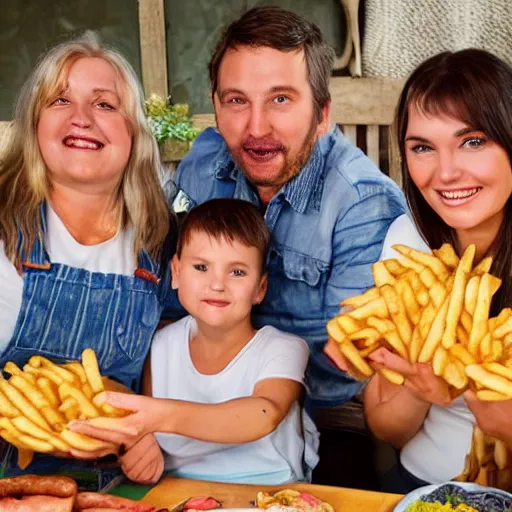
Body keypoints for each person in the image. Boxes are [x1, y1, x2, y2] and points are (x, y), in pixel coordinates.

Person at [168, 5, 410, 409]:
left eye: (280, 99)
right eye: (236, 100)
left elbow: (345, 367)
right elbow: (171, 299)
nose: (257, 128)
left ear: (322, 114)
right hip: (194, 402)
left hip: (322, 426)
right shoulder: (203, 168)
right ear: (216, 105)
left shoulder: (362, 204)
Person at [329, 48, 512, 493]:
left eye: (473, 141)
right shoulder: (407, 238)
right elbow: (387, 429)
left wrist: (482, 403)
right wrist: (419, 382)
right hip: (420, 487)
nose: (446, 172)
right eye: (423, 147)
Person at [0, 33, 176, 487]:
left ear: (133, 131)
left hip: (107, 490)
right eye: (60, 100)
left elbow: (173, 361)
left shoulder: (161, 242)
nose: (81, 119)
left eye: (104, 105)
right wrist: (37, 422)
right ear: (34, 122)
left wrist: (146, 432)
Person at [69, 198, 319, 485]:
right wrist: (137, 446)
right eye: (201, 267)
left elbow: (264, 414)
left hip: (271, 492)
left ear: (259, 289)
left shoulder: (283, 349)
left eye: (237, 272)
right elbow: (146, 432)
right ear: (176, 273)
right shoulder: (159, 346)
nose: (217, 284)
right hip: (176, 493)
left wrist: (161, 417)